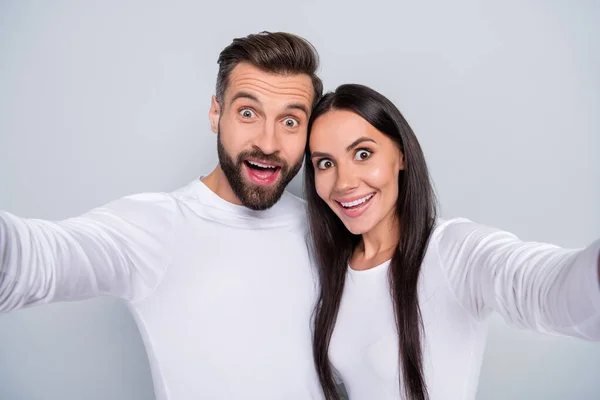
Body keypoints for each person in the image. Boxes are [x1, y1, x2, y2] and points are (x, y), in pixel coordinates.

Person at [0, 31, 326, 400]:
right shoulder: (156, 226)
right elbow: (32, 261)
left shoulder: (326, 227)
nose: (268, 143)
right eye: (248, 113)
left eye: (290, 122)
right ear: (216, 114)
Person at [303, 83, 600, 400]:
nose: (344, 182)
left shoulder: (450, 251)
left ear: (401, 155)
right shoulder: (331, 269)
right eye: (325, 163)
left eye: (363, 154)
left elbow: (540, 285)